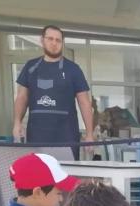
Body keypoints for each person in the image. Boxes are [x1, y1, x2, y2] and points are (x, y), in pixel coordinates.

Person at [13, 25, 94, 160]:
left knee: (66, 176)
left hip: (66, 137)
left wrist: (90, 134)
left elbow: (85, 102)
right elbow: (21, 98)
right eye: (50, 39)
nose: (54, 43)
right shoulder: (30, 67)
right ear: (42, 40)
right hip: (37, 137)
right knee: (39, 177)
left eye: (58, 40)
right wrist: (17, 123)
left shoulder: (73, 69)